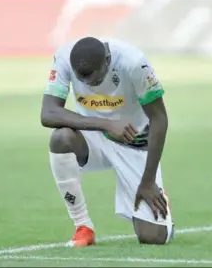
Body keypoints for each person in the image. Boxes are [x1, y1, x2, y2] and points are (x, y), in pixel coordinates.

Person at [41, 37, 174, 247]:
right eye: (82, 80)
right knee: (61, 138)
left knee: (152, 237)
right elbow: (48, 113)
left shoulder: (134, 62)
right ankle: (83, 226)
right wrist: (106, 124)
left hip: (134, 140)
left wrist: (148, 182)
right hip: (94, 135)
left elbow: (159, 118)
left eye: (94, 80)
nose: (89, 85)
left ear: (107, 61)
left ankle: (159, 193)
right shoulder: (64, 58)